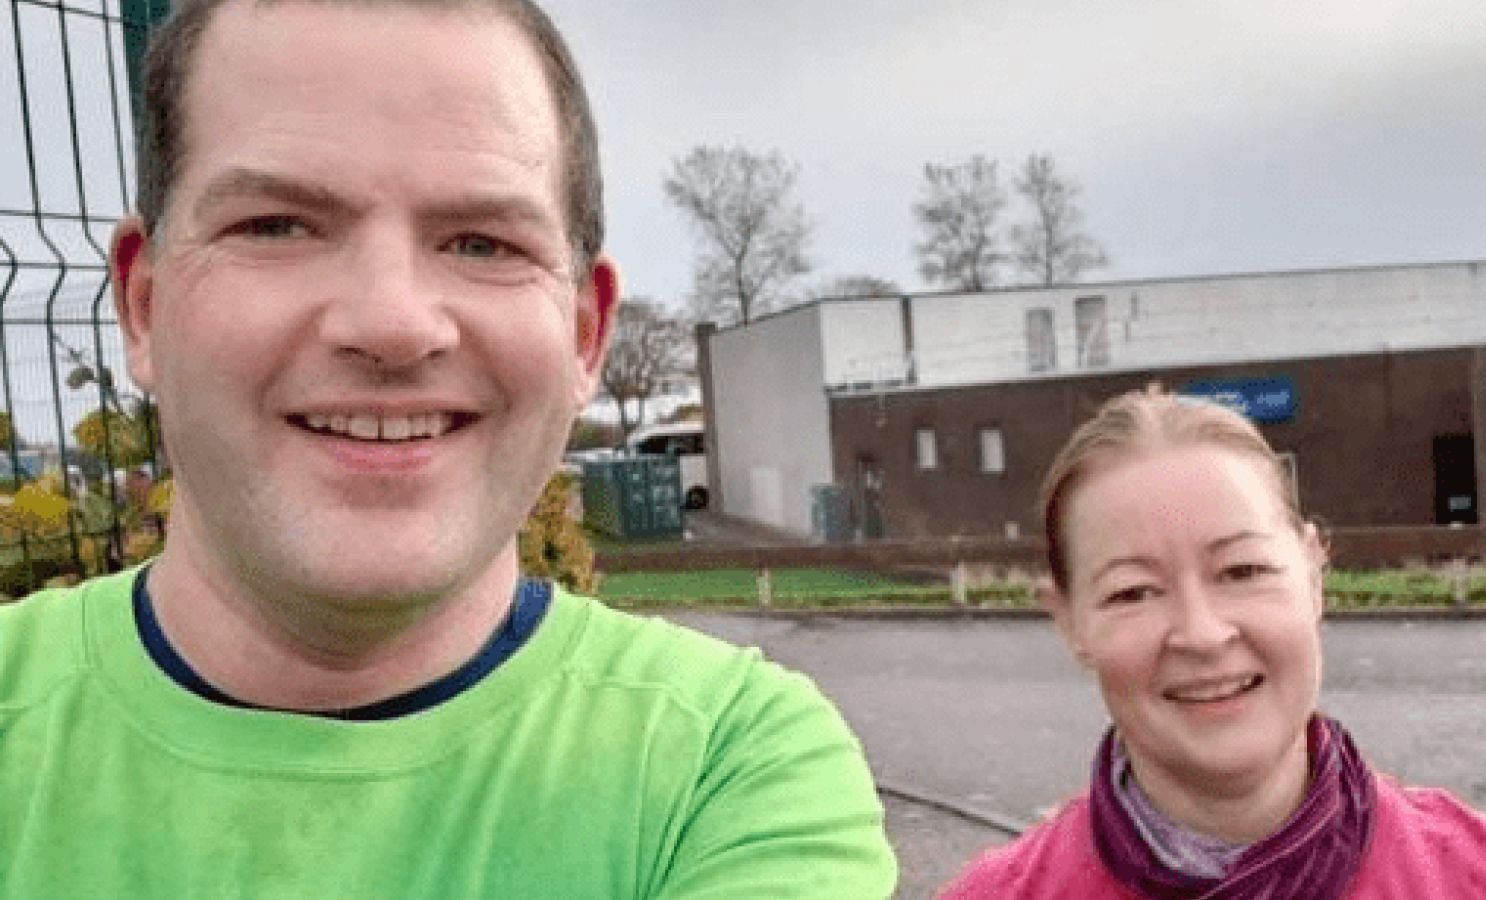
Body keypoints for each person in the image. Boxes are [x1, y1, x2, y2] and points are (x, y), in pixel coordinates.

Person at [0, 0, 895, 896]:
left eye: (483, 243)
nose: (393, 323)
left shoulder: (723, 771)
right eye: (276, 226)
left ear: (585, 335)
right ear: (144, 306)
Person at [941, 387, 1486, 899]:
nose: (1202, 633)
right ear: (1069, 622)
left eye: (1243, 571)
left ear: (1313, 575)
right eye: (1133, 592)